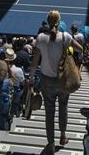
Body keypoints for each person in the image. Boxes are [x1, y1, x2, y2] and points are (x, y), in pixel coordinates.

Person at [28, 10, 83, 153]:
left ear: (48, 21)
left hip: (46, 81)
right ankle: (63, 136)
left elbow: (34, 62)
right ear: (59, 21)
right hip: (63, 80)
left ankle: (51, 144)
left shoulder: (40, 38)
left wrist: (31, 78)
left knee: (49, 113)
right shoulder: (66, 37)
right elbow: (80, 49)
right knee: (63, 108)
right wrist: (68, 51)